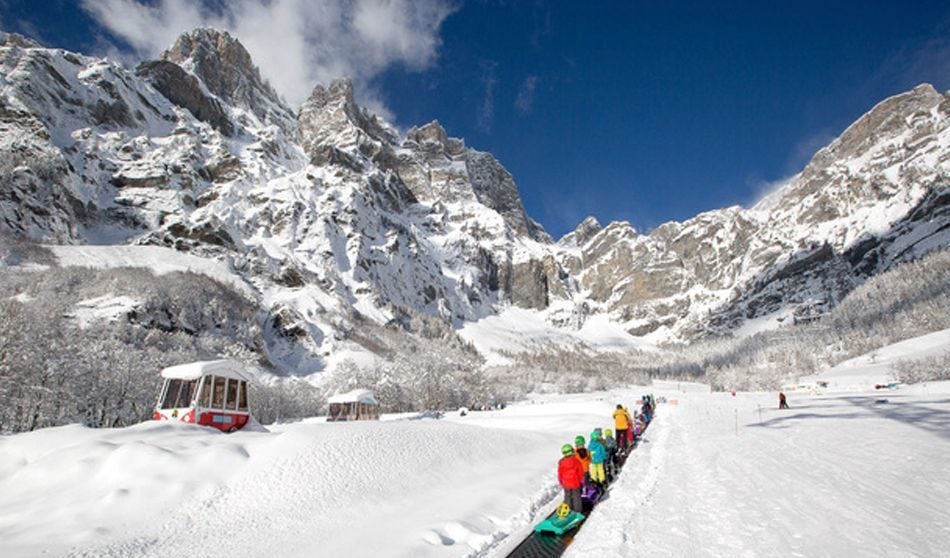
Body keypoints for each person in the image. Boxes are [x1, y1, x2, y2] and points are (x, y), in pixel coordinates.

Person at [557, 443, 584, 513]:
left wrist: (560, 480)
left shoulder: (561, 462)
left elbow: (560, 472)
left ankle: (568, 509)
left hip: (566, 483)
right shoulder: (576, 461)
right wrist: (582, 480)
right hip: (575, 482)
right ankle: (578, 511)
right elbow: (580, 471)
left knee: (567, 497)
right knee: (576, 497)